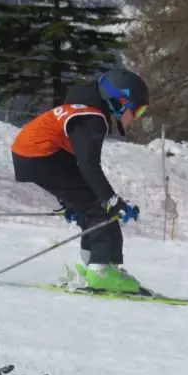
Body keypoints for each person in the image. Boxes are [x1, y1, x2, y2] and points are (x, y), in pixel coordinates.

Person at [11, 67, 149, 293]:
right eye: (137, 110)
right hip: (40, 155)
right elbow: (88, 166)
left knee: (91, 205)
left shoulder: (83, 109)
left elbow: (75, 167)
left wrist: (72, 202)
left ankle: (87, 267)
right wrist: (111, 200)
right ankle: (101, 271)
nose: (136, 117)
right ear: (119, 101)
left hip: (33, 153)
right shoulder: (92, 118)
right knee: (100, 208)